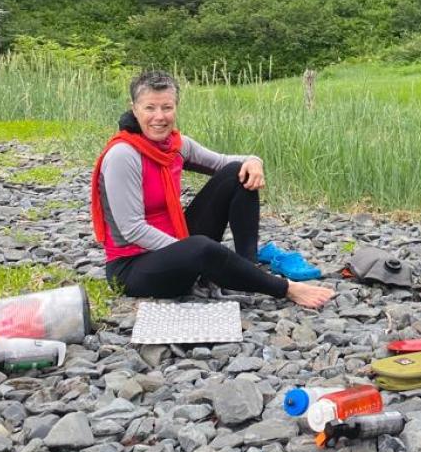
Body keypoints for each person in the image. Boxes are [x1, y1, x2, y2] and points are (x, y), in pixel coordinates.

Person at [90, 70, 333, 308]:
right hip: (133, 266)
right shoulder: (123, 155)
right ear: (134, 109)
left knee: (238, 173)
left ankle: (245, 271)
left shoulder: (175, 145)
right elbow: (132, 229)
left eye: (167, 107)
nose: (159, 116)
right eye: (150, 108)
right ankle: (285, 288)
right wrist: (185, 248)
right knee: (202, 248)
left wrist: (254, 160)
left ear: (176, 107)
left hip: (178, 242)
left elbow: (224, 162)